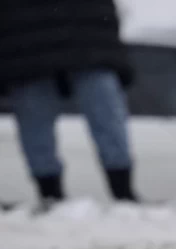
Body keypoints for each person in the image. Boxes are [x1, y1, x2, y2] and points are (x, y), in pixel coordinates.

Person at [0, 0, 138, 207]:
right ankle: (51, 195)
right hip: (33, 52)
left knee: (104, 116)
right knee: (37, 127)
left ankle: (122, 194)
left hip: (70, 48)